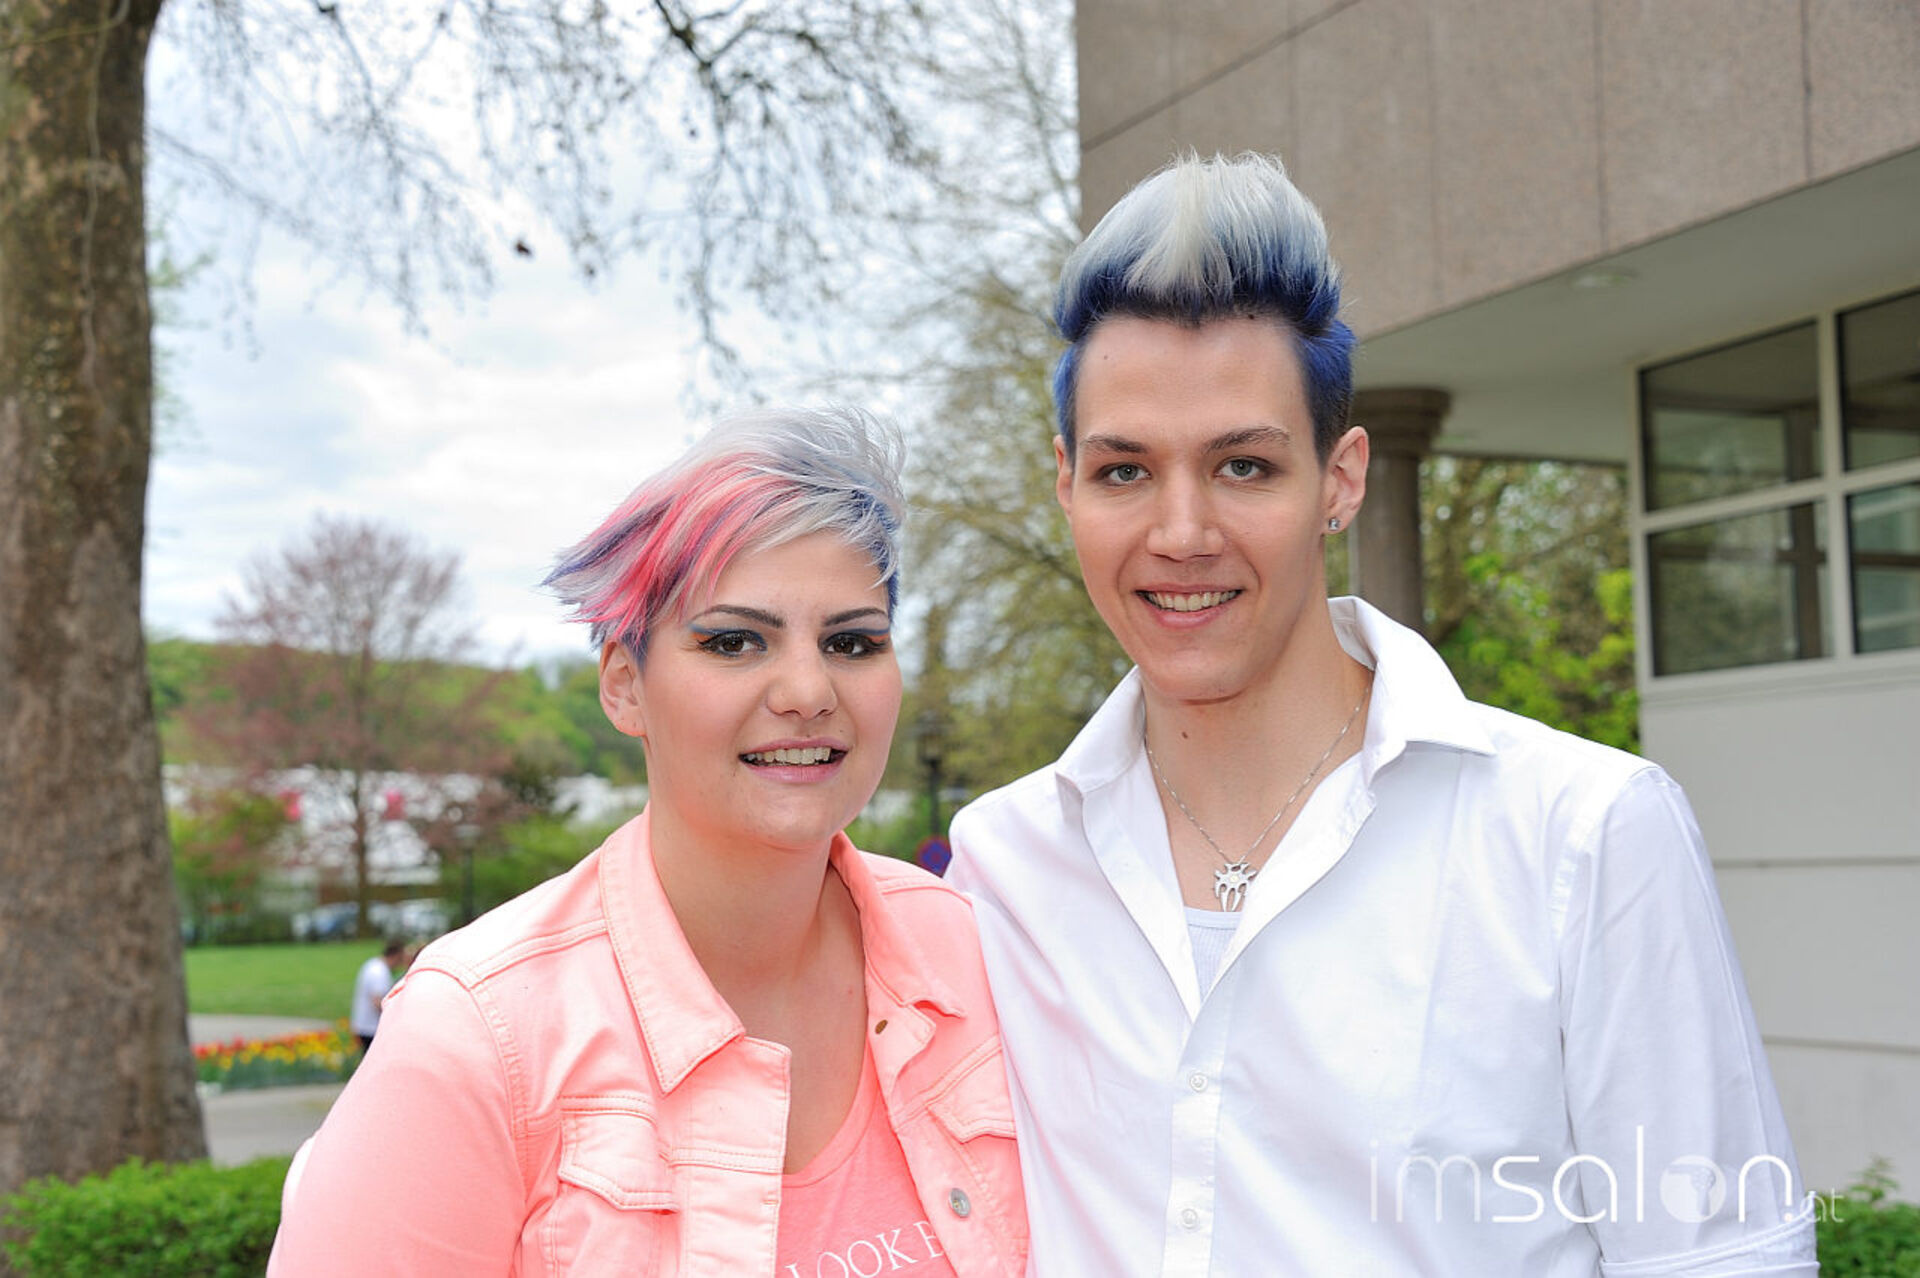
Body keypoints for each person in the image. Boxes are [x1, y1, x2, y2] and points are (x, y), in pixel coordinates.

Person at [945, 153, 1817, 1276]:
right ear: (1066, 484)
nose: (1182, 533)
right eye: (1125, 472)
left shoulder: (1583, 835)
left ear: (1341, 480)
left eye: (1243, 467)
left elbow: (1722, 1258)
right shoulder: (1000, 869)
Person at [271, 408, 1027, 1276]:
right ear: (625, 686)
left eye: (852, 642)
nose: (808, 690)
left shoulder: (977, 954)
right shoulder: (479, 1036)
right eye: (734, 641)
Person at [348, 938, 406, 1051]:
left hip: (363, 1025)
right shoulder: (379, 972)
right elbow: (377, 1001)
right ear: (396, 956)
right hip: (371, 1028)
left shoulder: (372, 964)